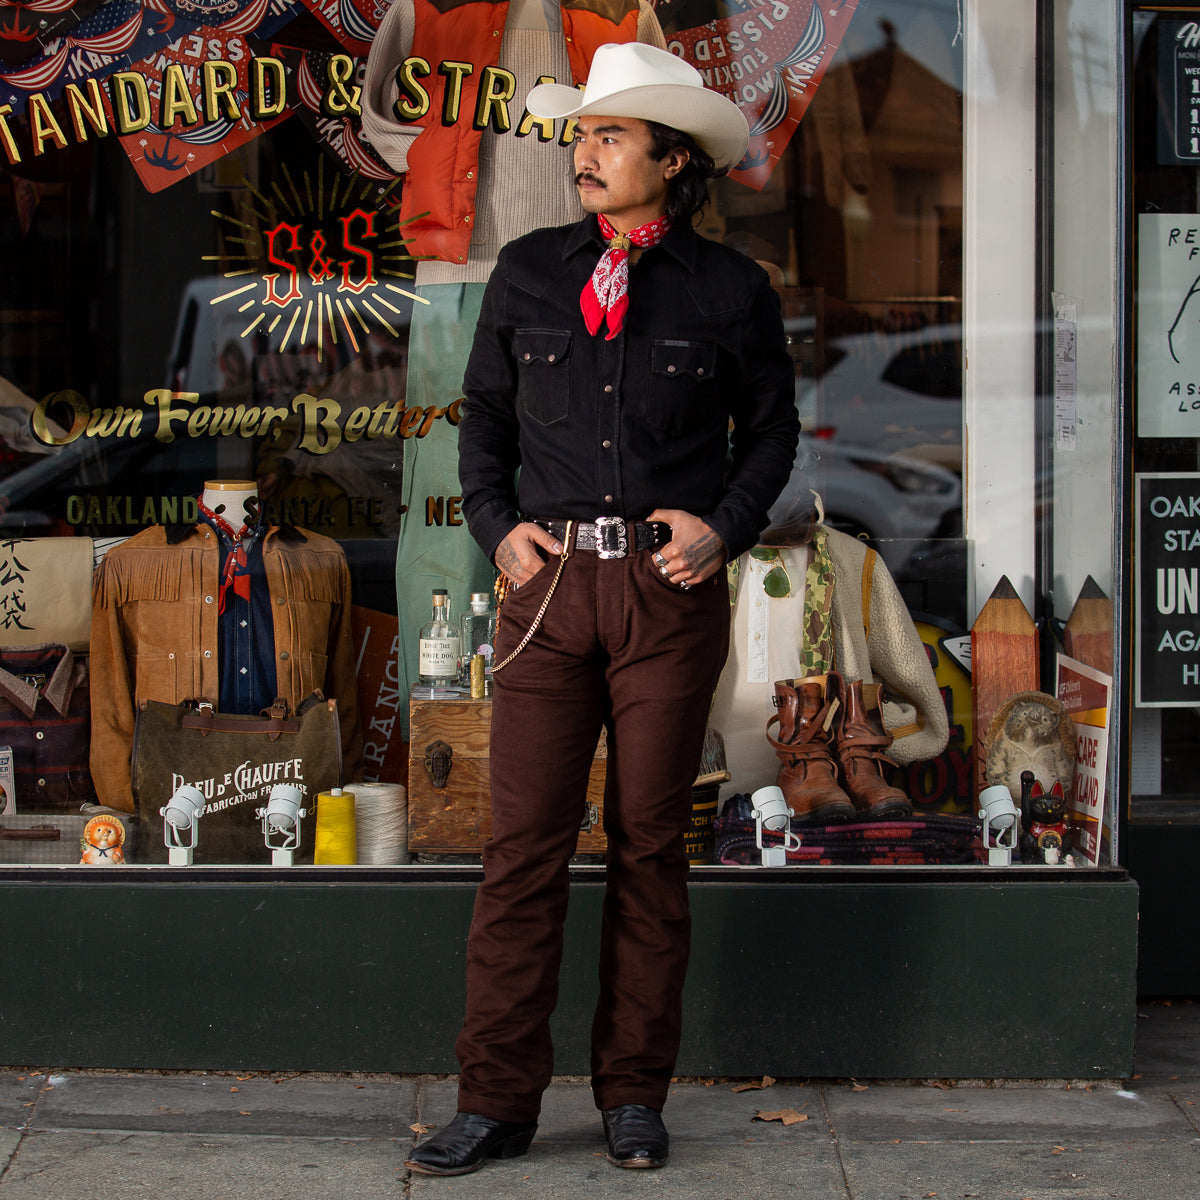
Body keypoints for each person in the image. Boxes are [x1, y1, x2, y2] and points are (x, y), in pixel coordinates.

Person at [405, 43, 799, 1176]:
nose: (586, 151)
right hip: (545, 593)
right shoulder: (530, 273)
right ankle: (496, 1102)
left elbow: (772, 430)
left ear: (672, 160)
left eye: (613, 135)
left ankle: (633, 1096)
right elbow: (481, 418)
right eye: (584, 134)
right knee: (519, 848)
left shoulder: (731, 291)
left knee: (646, 849)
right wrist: (496, 527)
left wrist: (723, 522)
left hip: (667, 594)